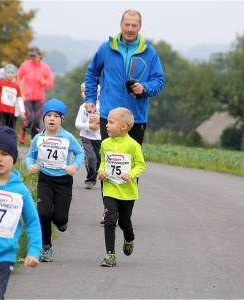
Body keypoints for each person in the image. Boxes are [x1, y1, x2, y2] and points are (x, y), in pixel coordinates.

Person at [85, 9, 165, 145]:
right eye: (127, 24)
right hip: (109, 116)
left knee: (131, 163)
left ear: (140, 27)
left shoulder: (149, 52)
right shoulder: (106, 48)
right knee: (110, 160)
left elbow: (159, 80)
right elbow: (92, 73)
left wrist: (144, 88)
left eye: (134, 25)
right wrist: (91, 98)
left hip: (135, 117)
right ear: (121, 24)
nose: (130, 29)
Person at [0, 126, 42, 299]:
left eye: (4, 154)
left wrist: (33, 251)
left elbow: (32, 222)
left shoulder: (20, 191)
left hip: (4, 256)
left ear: (14, 158)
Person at [26, 99, 84, 262]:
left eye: (57, 116)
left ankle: (61, 221)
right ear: (43, 119)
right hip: (45, 178)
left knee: (60, 218)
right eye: (49, 115)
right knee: (43, 213)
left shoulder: (67, 137)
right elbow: (30, 155)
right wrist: (31, 165)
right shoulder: (38, 138)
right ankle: (46, 247)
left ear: (61, 119)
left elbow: (80, 153)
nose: (52, 119)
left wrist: (74, 166)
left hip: (64, 181)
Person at [98, 107, 146, 267]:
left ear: (124, 126)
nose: (106, 125)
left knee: (124, 222)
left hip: (127, 191)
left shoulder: (133, 146)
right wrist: (101, 171)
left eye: (111, 122)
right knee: (110, 220)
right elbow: (103, 161)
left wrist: (131, 174)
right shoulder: (105, 143)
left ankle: (129, 237)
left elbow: (141, 165)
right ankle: (110, 255)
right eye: (107, 122)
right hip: (110, 188)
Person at [18, 47, 54, 142]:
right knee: (29, 120)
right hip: (27, 97)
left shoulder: (45, 68)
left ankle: (33, 140)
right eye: (31, 56)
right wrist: (19, 86)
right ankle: (23, 132)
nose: (32, 57)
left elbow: (50, 84)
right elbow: (18, 77)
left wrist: (44, 82)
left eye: (34, 56)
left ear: (40, 56)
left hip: (39, 98)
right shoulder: (25, 65)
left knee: (37, 121)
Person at [75, 82, 101, 189]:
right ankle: (90, 179)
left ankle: (94, 174)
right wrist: (89, 126)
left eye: (85, 91)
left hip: (99, 138)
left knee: (98, 160)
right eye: (82, 91)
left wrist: (99, 123)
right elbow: (77, 124)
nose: (83, 94)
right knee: (91, 158)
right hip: (86, 137)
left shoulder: (103, 106)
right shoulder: (82, 107)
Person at [0, 64, 25, 129]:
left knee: (10, 129)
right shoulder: (0, 83)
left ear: (15, 75)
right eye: (8, 72)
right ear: (5, 74)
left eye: (12, 73)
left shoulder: (17, 87)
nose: (10, 74)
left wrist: (22, 111)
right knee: (2, 128)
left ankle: (10, 139)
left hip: (12, 112)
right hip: (1, 110)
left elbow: (19, 99)